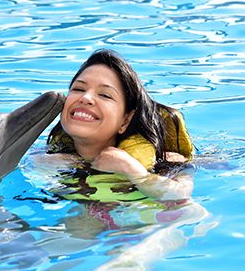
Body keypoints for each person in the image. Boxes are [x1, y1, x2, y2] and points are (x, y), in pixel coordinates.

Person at [46, 48, 194, 202]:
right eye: (78, 89)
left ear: (126, 120)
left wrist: (134, 172)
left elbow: (179, 195)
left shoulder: (167, 160)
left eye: (105, 95)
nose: (86, 97)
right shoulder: (47, 160)